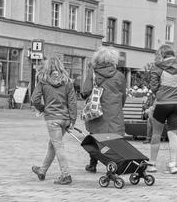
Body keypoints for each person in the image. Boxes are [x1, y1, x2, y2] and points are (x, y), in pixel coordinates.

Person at [30, 56, 78, 186]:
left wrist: (43, 108)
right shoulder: (67, 81)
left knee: (58, 146)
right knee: (53, 144)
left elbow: (34, 99)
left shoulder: (43, 80)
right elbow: (72, 103)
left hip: (53, 119)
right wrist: (72, 120)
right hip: (65, 118)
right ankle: (42, 170)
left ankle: (66, 174)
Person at [78, 46, 127, 173]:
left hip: (97, 112)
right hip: (114, 112)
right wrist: (117, 107)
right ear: (113, 60)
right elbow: (123, 96)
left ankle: (92, 164)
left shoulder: (92, 72)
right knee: (113, 140)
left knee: (95, 138)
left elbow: (85, 91)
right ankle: (112, 165)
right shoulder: (119, 76)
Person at [147, 44, 177, 175]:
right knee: (173, 133)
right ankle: (173, 165)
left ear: (162, 54)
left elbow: (153, 87)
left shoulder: (158, 67)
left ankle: (152, 164)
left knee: (156, 133)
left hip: (163, 103)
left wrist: (160, 93)